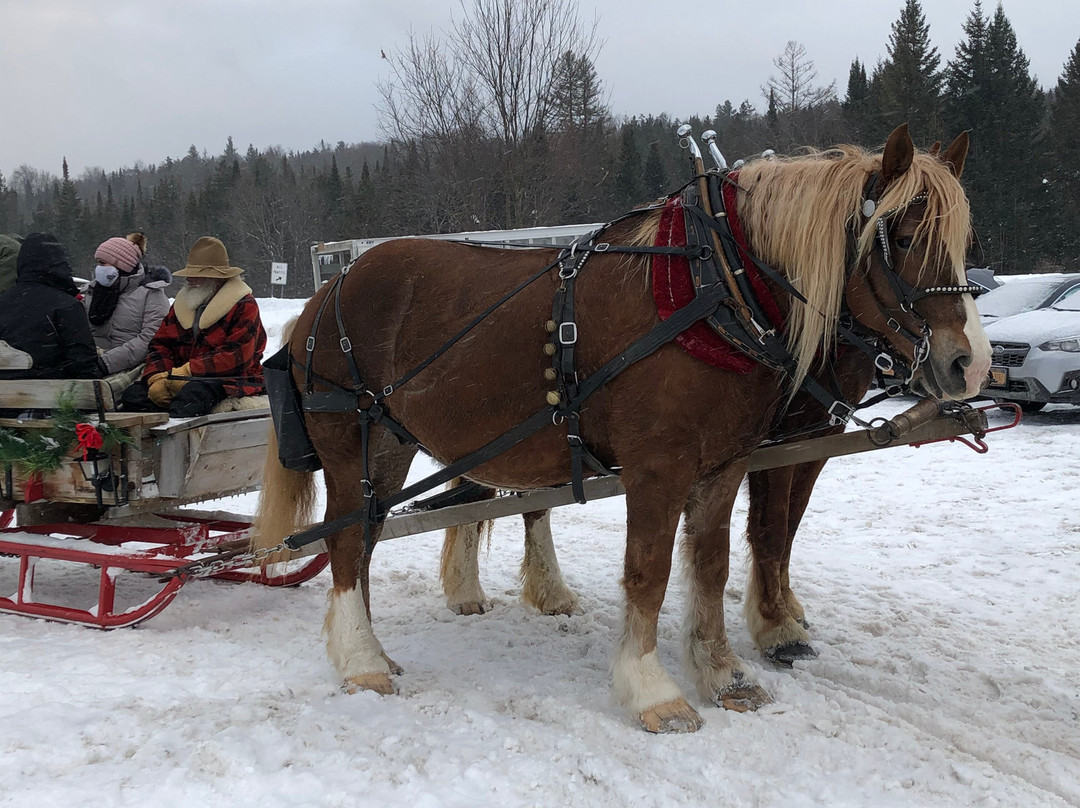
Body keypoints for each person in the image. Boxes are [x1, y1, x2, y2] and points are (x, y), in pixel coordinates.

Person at [121, 235, 267, 417]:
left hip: (228, 379)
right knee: (133, 396)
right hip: (176, 377)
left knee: (191, 399)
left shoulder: (244, 305)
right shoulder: (183, 304)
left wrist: (188, 371)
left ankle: (173, 442)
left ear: (217, 278)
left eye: (197, 275)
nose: (190, 279)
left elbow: (236, 356)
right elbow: (160, 345)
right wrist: (156, 376)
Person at [0, 233, 101, 379]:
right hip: (56, 394)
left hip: (6, 392)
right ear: (58, 262)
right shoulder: (66, 305)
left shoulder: (4, 301)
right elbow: (83, 363)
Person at [83, 232, 170, 381]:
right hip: (91, 365)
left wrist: (105, 363)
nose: (98, 268)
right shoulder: (93, 292)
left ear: (121, 266)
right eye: (98, 262)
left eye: (103, 263)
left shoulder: (152, 295)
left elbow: (150, 339)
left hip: (131, 370)